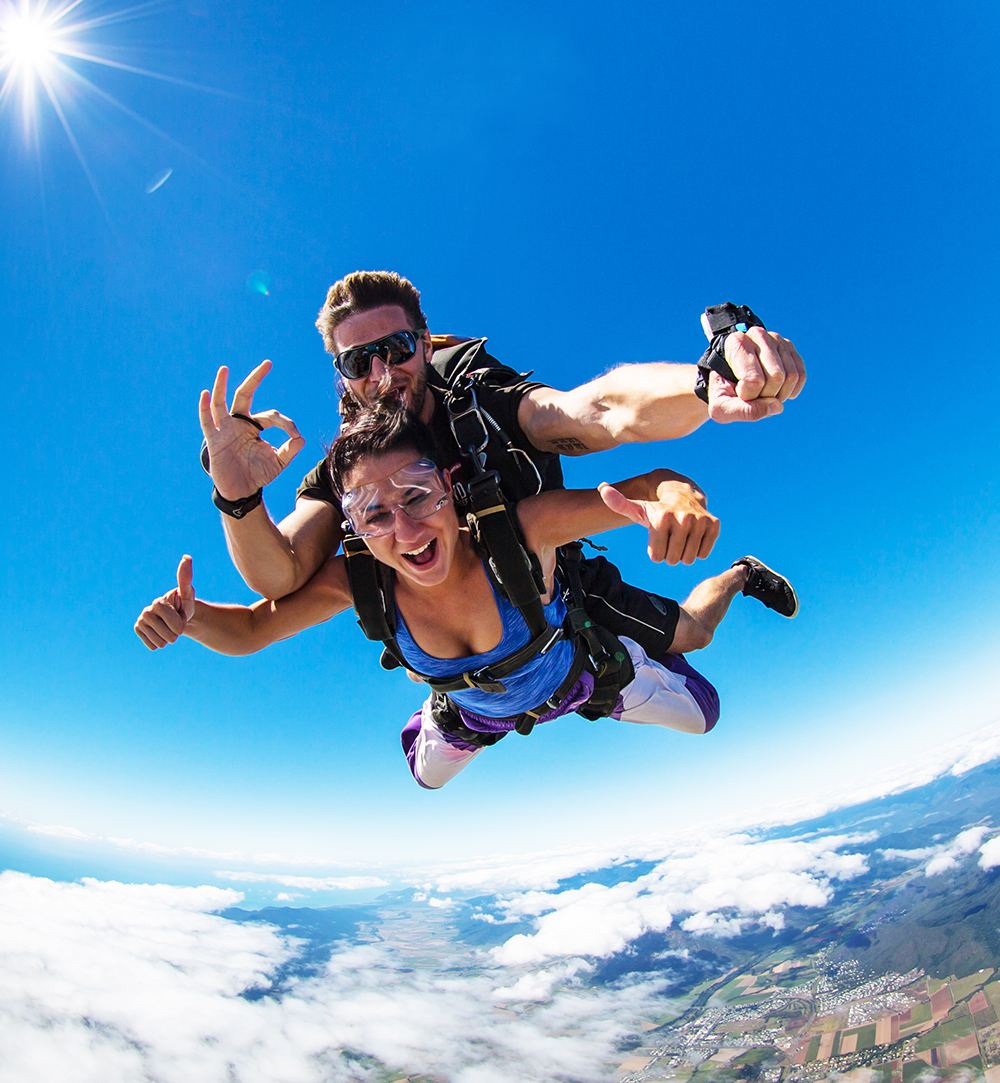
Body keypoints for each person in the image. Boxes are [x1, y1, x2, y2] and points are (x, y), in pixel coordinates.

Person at [137, 406, 798, 789]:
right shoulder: (360, 578)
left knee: (700, 672)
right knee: (423, 779)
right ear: (354, 530)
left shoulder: (521, 532)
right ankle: (442, 710)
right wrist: (192, 620)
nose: (405, 528)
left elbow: (650, 481)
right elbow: (252, 630)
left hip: (584, 678)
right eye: (373, 515)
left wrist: (678, 500)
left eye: (417, 495)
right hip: (475, 713)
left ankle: (739, 573)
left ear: (452, 489)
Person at [198, 271, 805, 663]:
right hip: (462, 628)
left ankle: (739, 576)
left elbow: (591, 410)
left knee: (692, 636)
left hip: (552, 577)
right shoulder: (353, 470)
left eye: (399, 349)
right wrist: (237, 497)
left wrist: (704, 383)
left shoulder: (482, 402)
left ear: (426, 340)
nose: (383, 375)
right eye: (360, 362)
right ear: (341, 375)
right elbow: (279, 579)